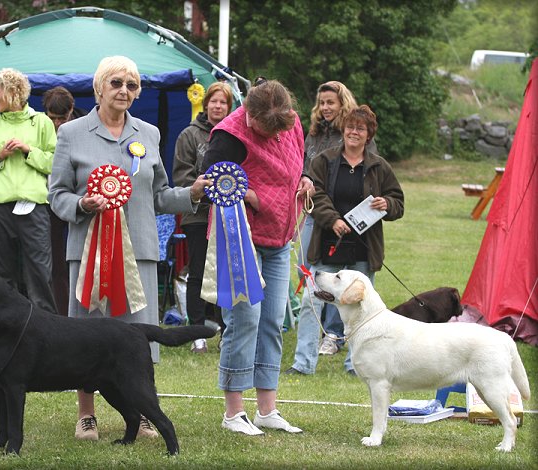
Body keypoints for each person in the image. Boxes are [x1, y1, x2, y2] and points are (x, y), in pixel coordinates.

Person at [48, 56, 209, 441]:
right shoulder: (71, 133)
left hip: (139, 251)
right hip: (88, 256)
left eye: (132, 85)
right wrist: (83, 205)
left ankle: (142, 414)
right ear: (99, 88)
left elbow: (158, 195)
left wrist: (193, 194)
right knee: (85, 338)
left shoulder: (148, 134)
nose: (124, 90)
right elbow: (56, 196)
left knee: (139, 338)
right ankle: (86, 415)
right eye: (116, 83)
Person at [201, 80, 314, 435]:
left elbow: (301, 157)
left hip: (280, 239)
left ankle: (267, 409)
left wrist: (307, 177)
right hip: (240, 240)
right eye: (262, 127)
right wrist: (247, 193)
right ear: (248, 112)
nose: (268, 133)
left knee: (272, 322)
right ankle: (234, 413)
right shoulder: (228, 136)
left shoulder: (290, 121)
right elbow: (208, 182)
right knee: (243, 320)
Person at [288, 104, 404, 376]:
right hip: (326, 245)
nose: (354, 132)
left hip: (363, 251)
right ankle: (303, 363)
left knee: (362, 308)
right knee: (310, 302)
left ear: (368, 134)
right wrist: (333, 220)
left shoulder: (380, 167)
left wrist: (385, 202)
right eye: (350, 127)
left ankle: (356, 365)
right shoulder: (324, 161)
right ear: (344, 129)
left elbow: (399, 203)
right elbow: (314, 195)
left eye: (360, 129)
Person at [0, 68, 57, 312]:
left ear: (12, 93)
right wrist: (0, 155)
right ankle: (6, 322)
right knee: (1, 271)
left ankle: (45, 326)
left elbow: (55, 162)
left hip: (35, 208)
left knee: (40, 272)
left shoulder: (42, 122)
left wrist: (28, 150)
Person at [172, 82, 233, 353]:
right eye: (214, 101)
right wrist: (203, 191)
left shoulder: (234, 134)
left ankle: (225, 329)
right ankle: (197, 331)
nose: (218, 106)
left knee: (226, 274)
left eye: (224, 103)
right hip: (198, 215)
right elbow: (181, 174)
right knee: (197, 271)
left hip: (228, 215)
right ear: (205, 103)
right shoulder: (189, 135)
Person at [42, 86, 87, 316]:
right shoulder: (39, 128)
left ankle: (84, 310)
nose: (58, 123)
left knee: (82, 259)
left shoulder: (86, 127)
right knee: (56, 263)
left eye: (63, 117)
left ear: (72, 110)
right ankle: (62, 315)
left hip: (80, 202)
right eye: (53, 118)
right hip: (49, 203)